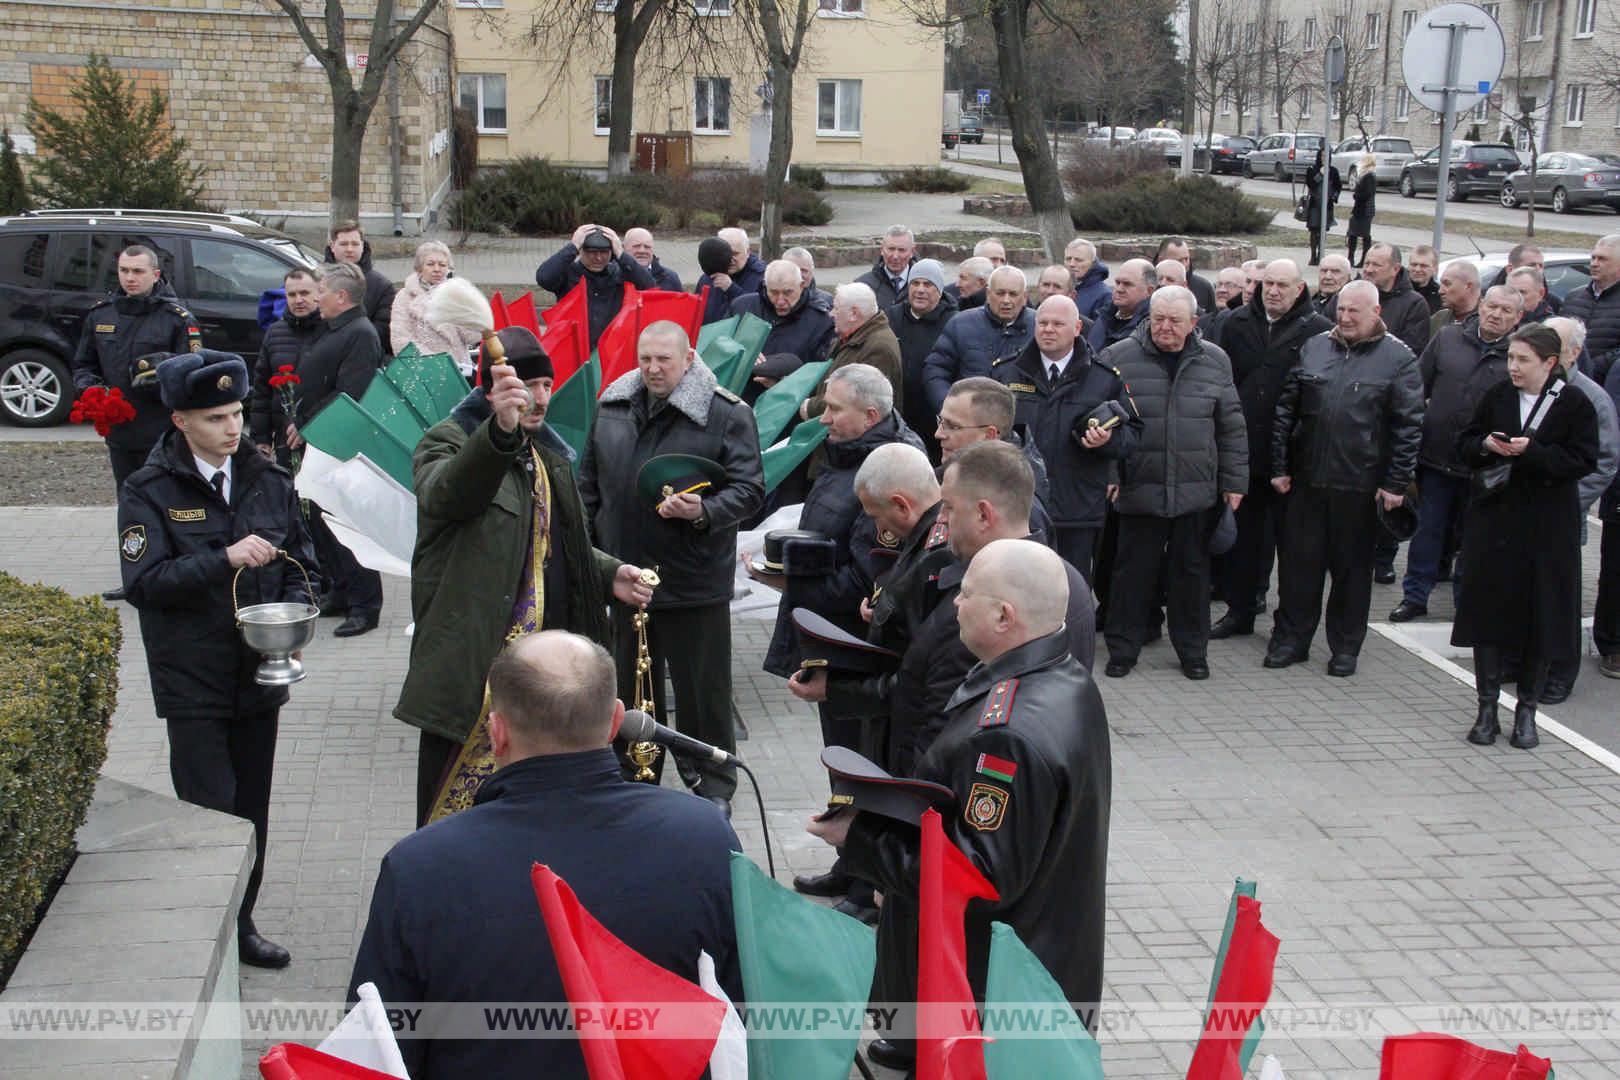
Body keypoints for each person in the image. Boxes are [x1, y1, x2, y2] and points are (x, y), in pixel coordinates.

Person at [353, 631, 740, 1080]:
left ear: (496, 734)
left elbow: (378, 1044)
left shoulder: (419, 865)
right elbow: (743, 1008)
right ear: (616, 722)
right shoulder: (703, 834)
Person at [816, 538, 1110, 1046]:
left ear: (1003, 617)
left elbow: (979, 877)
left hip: (990, 998)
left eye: (966, 593)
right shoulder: (1065, 679)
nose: (954, 602)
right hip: (1036, 965)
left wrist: (860, 840)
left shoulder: (1008, 734)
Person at [396, 327, 653, 827]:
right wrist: (498, 432)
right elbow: (447, 495)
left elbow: (557, 541)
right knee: (457, 816)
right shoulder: (448, 442)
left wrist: (609, 573)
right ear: (489, 390)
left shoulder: (548, 455)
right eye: (525, 386)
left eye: (545, 386)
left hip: (548, 674)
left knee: (544, 808)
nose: (538, 399)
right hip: (478, 671)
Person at [119, 349, 318, 970]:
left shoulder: (268, 479)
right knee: (211, 811)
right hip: (193, 678)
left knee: (252, 808)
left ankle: (243, 925)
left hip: (258, 677)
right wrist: (224, 558)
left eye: (235, 413)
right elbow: (144, 583)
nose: (232, 428)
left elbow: (302, 563)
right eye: (214, 418)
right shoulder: (150, 488)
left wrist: (290, 614)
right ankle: (207, 931)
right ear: (180, 421)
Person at [582, 322, 765, 817]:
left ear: (689, 358)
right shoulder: (611, 407)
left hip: (693, 580)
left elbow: (749, 491)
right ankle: (631, 779)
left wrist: (702, 513)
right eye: (645, 359)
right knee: (629, 686)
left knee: (702, 691)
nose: (653, 369)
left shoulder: (726, 413)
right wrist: (595, 554)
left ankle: (713, 787)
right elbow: (589, 485)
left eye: (664, 359)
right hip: (627, 579)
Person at [1268, 281, 1424, 677]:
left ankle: (1345, 647)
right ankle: (1292, 640)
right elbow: (1287, 409)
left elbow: (1408, 426)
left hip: (1360, 485)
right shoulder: (1315, 347)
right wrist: (1280, 466)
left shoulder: (1399, 359)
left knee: (1352, 574)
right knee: (1298, 569)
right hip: (1307, 481)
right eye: (1341, 310)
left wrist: (1395, 482)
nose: (1346, 317)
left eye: (1355, 311)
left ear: (1376, 313)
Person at [1452, 325, 1598, 749]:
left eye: (1522, 360)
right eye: (1511, 358)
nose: (1513, 367)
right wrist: (1487, 446)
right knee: (1488, 617)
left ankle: (1527, 712)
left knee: (1541, 618)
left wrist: (1531, 452)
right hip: (1494, 523)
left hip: (1546, 528)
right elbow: (1463, 443)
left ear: (1550, 364)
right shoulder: (1497, 395)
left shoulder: (1574, 403)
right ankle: (1485, 709)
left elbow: (1584, 459)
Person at [1102, 286, 1247, 680]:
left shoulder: (1215, 361)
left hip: (1195, 489)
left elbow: (1231, 426)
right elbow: (1101, 422)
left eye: (1174, 321)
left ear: (1194, 323)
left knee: (1192, 577)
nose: (1165, 328)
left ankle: (1192, 652)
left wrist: (1235, 482)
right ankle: (1122, 648)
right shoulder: (1117, 357)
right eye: (1158, 319)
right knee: (1132, 574)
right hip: (1139, 486)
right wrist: (1111, 473)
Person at [1208, 259, 1332, 639]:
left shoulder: (1318, 332)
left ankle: (1290, 622)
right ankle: (1240, 609)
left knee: (1292, 545)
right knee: (1244, 541)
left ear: (1300, 290)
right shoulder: (1236, 323)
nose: (1273, 291)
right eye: (1268, 284)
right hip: (1244, 451)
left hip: (1292, 459)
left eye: (1282, 285)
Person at [71, 244, 201, 601]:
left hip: (164, 431)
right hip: (121, 432)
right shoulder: (101, 315)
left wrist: (161, 378)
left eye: (138, 271)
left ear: (155, 275)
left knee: (171, 502)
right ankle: (136, 576)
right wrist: (92, 391)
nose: (130, 278)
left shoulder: (176, 318)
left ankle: (178, 573)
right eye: (125, 271)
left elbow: (193, 372)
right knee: (130, 504)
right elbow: (83, 365)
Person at [1390, 286, 1524, 623]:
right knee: (1428, 531)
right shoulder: (1448, 338)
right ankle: (1415, 596)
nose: (1497, 314)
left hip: (1485, 464)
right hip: (1436, 456)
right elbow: (1417, 385)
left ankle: (1465, 601)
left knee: (1473, 538)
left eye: (1507, 310)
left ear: (1519, 317)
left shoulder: (1520, 355)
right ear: (1481, 305)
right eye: (1492, 306)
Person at [994, 294, 1139, 582]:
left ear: (1077, 329)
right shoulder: (1005, 372)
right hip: (1020, 504)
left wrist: (1106, 441)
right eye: (1042, 322)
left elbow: (1132, 435)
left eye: (1057, 324)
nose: (1048, 329)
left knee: (1071, 586)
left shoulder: (1104, 378)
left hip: (1077, 505)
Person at [291, 262, 386, 638]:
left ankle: (366, 605)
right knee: (321, 520)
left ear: (342, 297)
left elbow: (350, 393)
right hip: (321, 438)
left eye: (322, 291)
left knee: (346, 523)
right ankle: (341, 592)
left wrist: (307, 424)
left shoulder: (360, 333)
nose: (316, 298)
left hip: (339, 441)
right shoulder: (334, 328)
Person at [1543, 317, 1620, 701]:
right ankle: (1525, 662)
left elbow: (1605, 462)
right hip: (1527, 514)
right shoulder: (1534, 390)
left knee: (1561, 597)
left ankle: (1561, 672)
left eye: (1553, 344)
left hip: (1564, 516)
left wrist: (1566, 502)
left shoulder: (1591, 398)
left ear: (1573, 352)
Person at [935, 377, 1055, 537]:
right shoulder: (951, 474)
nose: (938, 434)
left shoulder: (1021, 511)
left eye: (952, 426)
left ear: (989, 435)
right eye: (940, 421)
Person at [922, 266, 1034, 412]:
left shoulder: (1040, 327)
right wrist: (948, 406)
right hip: (968, 419)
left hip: (1020, 422)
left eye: (1013, 294)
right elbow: (936, 370)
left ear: (1024, 297)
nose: (1006, 300)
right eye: (1000, 293)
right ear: (988, 293)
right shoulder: (961, 324)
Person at [535, 224, 657, 347]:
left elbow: (648, 286)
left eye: (604, 252)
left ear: (612, 251)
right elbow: (544, 278)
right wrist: (572, 247)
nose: (598, 258)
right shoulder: (568, 273)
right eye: (592, 252)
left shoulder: (619, 273)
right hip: (573, 349)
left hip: (609, 349)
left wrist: (621, 254)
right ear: (581, 250)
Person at [728, 259, 836, 397]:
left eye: (787, 293)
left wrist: (783, 383)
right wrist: (744, 353)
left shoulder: (821, 321)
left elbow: (821, 376)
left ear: (802, 285)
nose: (780, 301)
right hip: (739, 397)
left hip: (786, 405)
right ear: (765, 286)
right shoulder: (742, 306)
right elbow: (720, 346)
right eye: (773, 292)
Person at [801, 282, 904, 419]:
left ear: (854, 314)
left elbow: (859, 402)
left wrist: (811, 407)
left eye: (836, 309)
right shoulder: (850, 337)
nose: (831, 314)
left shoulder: (878, 349)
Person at [251, 268, 323, 461]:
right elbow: (262, 390)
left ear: (319, 294)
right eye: (292, 294)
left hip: (322, 436)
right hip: (285, 437)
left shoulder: (332, 331)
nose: (298, 300)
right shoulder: (275, 333)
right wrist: (261, 437)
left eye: (305, 293)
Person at [888, 258, 957, 460]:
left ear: (940, 290)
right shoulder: (893, 316)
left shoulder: (953, 322)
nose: (920, 290)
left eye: (928, 284)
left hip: (932, 416)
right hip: (899, 413)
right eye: (915, 283)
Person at [1324, 242, 1429, 356]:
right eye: (1366, 263)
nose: (1368, 270)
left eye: (1376, 265)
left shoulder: (1414, 304)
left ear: (1395, 269)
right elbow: (1326, 338)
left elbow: (1410, 353)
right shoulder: (1345, 295)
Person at [390, 241, 481, 360]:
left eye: (442, 265)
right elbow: (400, 341)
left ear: (449, 268)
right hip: (423, 369)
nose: (437, 269)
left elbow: (474, 337)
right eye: (430, 264)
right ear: (419, 268)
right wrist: (438, 362)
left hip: (459, 369)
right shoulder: (405, 297)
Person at [324, 221, 397, 355]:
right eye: (344, 244)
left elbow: (384, 330)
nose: (349, 249)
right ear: (332, 246)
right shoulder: (316, 281)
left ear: (363, 246)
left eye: (355, 244)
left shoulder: (382, 286)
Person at [1562, 233, 1620, 381]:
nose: (1594, 263)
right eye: (1593, 258)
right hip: (1567, 378)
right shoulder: (1573, 297)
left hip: (1608, 382)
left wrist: (1595, 366)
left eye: (1602, 259)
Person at [696, 226, 769, 324]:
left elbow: (760, 315)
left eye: (735, 254)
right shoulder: (707, 278)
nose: (730, 259)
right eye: (723, 254)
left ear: (748, 252)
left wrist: (731, 289)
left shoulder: (762, 277)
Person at [1086, 258, 1156, 353]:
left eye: (1127, 284)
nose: (1119, 289)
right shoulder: (1104, 315)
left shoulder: (1151, 327)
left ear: (1149, 291)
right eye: (1117, 283)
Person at [855, 225, 917, 310]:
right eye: (891, 249)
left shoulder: (926, 286)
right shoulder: (862, 286)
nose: (895, 256)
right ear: (882, 250)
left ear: (912, 252)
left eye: (901, 250)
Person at [1303, 151, 1343, 268]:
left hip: (1327, 205)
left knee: (1322, 230)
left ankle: (1321, 254)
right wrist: (1320, 175)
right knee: (1314, 230)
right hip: (1315, 204)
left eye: (1327, 156)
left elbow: (1338, 186)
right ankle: (1313, 255)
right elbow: (1310, 184)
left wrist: (1334, 196)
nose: (1324, 158)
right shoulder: (1312, 169)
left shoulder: (1333, 171)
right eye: (1322, 156)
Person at [1156, 236, 1216, 312]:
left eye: (1186, 259)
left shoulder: (1203, 287)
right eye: (1179, 260)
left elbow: (1211, 320)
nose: (1184, 264)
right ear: (1161, 260)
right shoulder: (1147, 285)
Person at [1431, 258, 1481, 338]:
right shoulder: (1438, 319)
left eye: (1447, 284)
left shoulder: (1488, 321)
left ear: (1468, 286)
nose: (1440, 291)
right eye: (1441, 284)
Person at [623, 226, 682, 291]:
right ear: (624, 248)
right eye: (636, 246)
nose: (642, 251)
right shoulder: (613, 276)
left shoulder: (670, 278)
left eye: (647, 247)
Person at [1067, 238, 1111, 318]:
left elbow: (1100, 329)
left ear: (1093, 263)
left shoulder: (1105, 295)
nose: (1072, 264)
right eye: (1068, 259)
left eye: (1078, 260)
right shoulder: (1057, 287)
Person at [1346, 154, 1377, 268]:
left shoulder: (1369, 176)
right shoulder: (1366, 174)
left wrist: (1356, 195)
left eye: (1363, 160)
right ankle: (1351, 257)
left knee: (1363, 235)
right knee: (1353, 234)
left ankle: (1363, 258)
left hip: (1364, 210)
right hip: (1361, 208)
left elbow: (1368, 193)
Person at [1409, 244, 1443, 313]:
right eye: (1414, 264)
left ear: (1435, 269)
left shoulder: (1440, 297)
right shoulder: (1396, 288)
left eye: (1423, 266)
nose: (1417, 269)